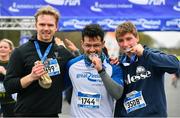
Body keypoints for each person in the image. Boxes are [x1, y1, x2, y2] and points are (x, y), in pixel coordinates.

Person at [3, 5, 74, 117]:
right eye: (42, 24)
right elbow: (9, 86)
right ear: (36, 25)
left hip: (52, 114)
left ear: (56, 27)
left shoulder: (63, 53)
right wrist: (31, 77)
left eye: (50, 25)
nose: (46, 28)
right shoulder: (20, 52)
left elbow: (81, 67)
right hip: (25, 114)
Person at [114, 21, 180, 117]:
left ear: (137, 38)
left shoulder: (150, 54)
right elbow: (119, 99)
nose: (125, 44)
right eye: (121, 40)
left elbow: (175, 65)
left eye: (129, 39)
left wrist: (144, 53)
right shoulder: (119, 64)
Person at [66, 24, 124, 117]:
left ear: (103, 44)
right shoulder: (72, 65)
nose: (92, 49)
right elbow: (60, 87)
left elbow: (117, 94)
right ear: (82, 44)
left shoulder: (114, 66)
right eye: (88, 45)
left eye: (96, 45)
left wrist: (101, 71)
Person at [0, 39, 16, 117]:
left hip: (11, 101)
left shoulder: (14, 63)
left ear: (10, 50)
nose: (2, 49)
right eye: (0, 47)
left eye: (5, 47)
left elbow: (18, 80)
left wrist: (4, 72)